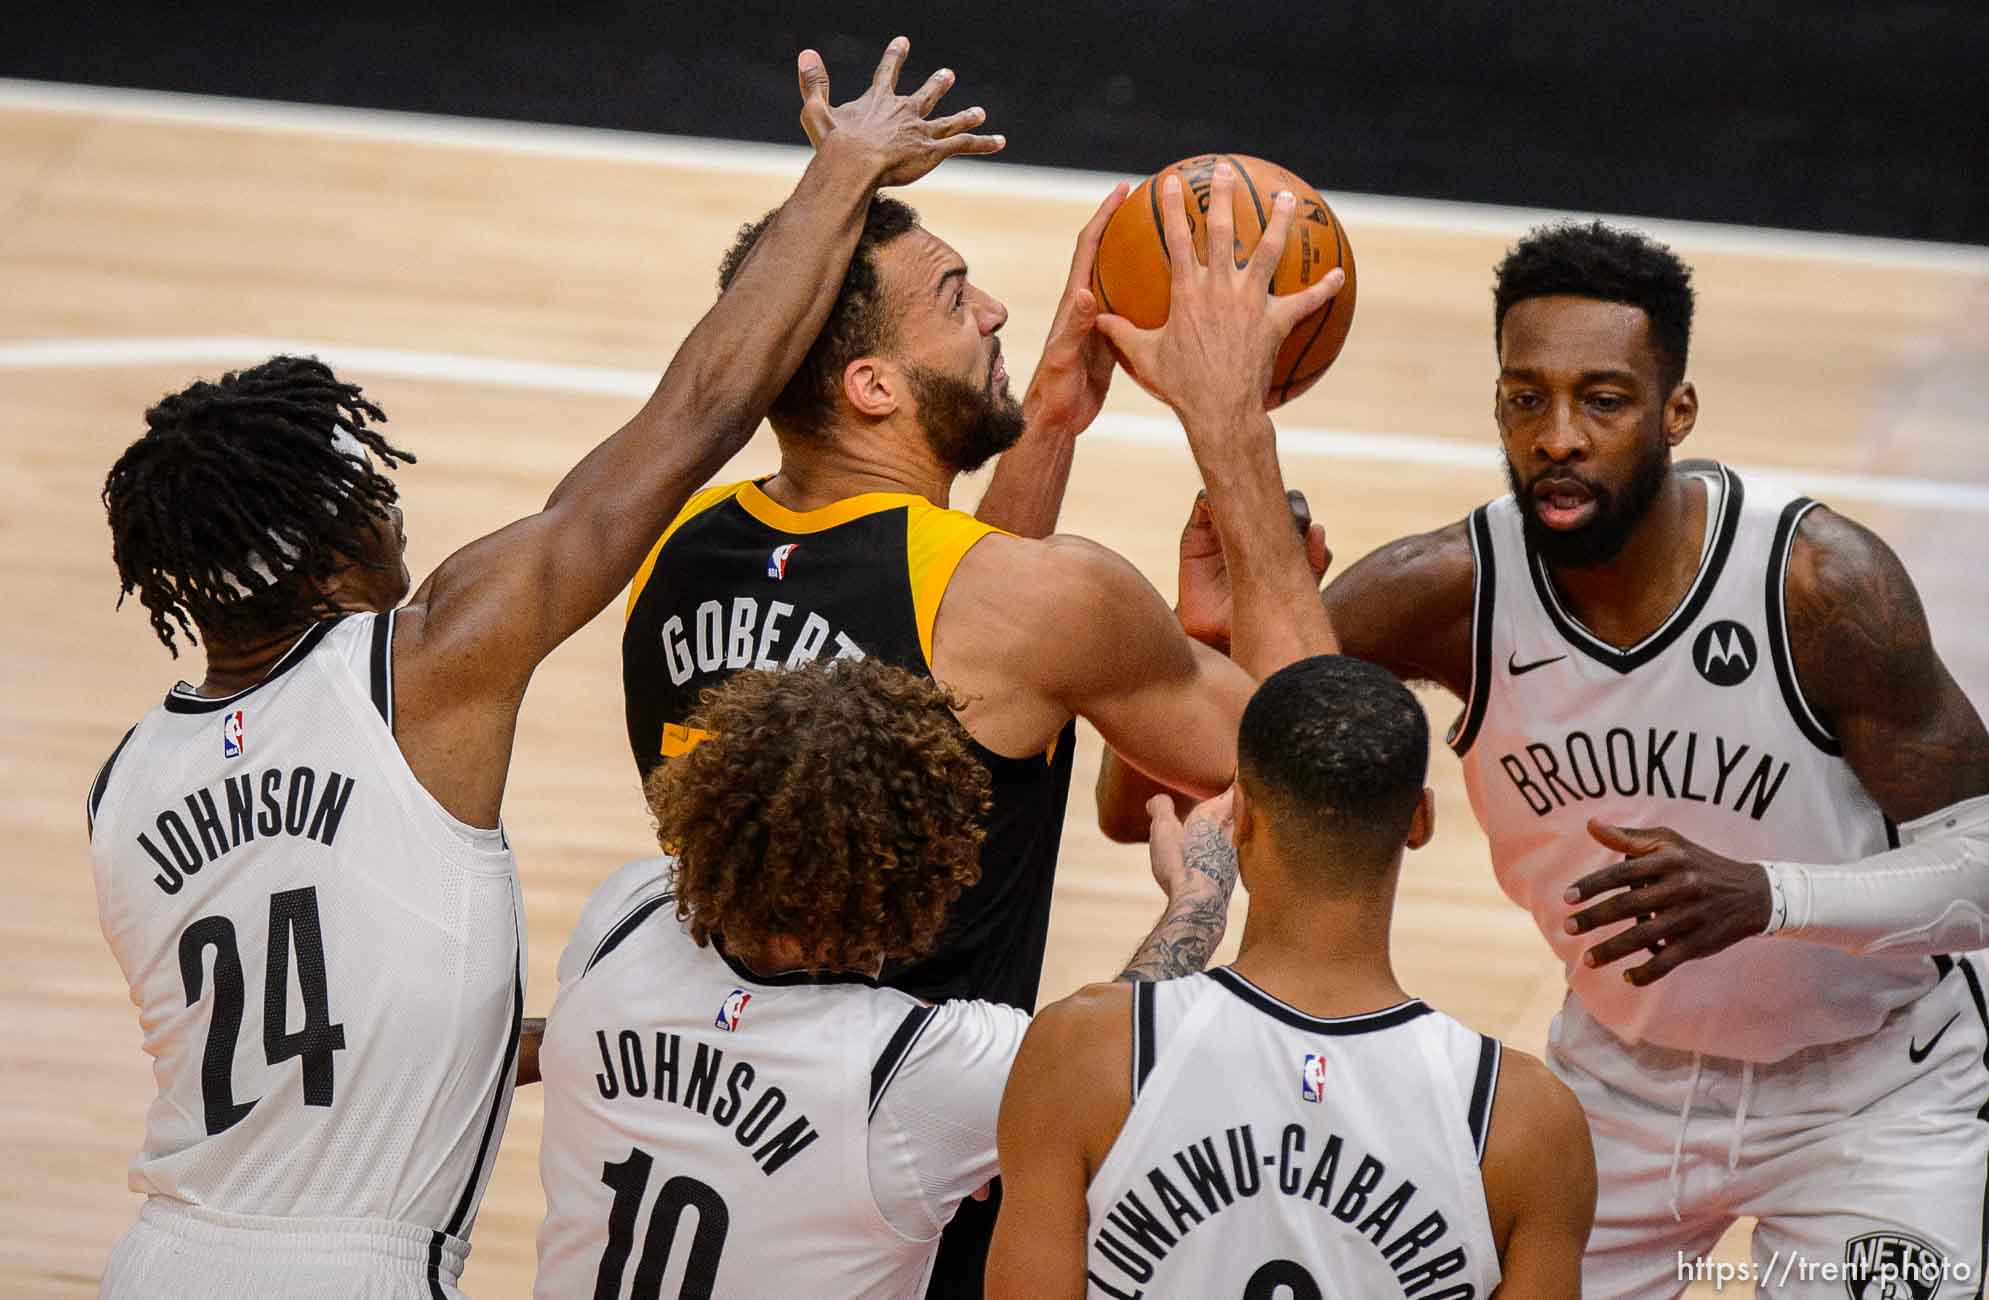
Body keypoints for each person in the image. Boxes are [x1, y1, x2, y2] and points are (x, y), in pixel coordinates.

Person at [83, 38, 999, 1298]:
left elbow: (325, 1031)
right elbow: (691, 419)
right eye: (369, 488)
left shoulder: (124, 784)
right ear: (330, 539)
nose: (394, 509)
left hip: (158, 1253)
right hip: (353, 1269)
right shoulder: (425, 665)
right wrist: (838, 179)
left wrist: (585, 1042)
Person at [1104, 220, 1989, 1297]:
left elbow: (1981, 873)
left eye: (1603, 400)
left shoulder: (1817, 586)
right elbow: (1168, 788)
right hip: (1618, 1087)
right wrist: (1207, 639)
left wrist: (1766, 896)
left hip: (1873, 1091)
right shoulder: (1451, 591)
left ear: (1677, 411)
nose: (1558, 435)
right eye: (1527, 399)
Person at [622, 153, 1340, 1290]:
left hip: (713, 1116)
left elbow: (949, 644)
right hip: (926, 1168)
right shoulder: (1038, 602)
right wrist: (1230, 424)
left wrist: (1047, 416)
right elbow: (1329, 773)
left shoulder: (677, 549)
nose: (1000, 308)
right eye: (957, 298)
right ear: (872, 386)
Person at [533, 657, 1240, 1300]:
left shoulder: (627, 914)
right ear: (920, 869)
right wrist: (1197, 900)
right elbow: (1108, 1041)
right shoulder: (911, 1072)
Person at [989, 655, 1597, 1299]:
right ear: (1420, 821)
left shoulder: (1080, 1055)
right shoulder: (1528, 1121)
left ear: (1240, 818)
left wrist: (1194, 905)